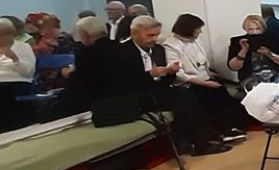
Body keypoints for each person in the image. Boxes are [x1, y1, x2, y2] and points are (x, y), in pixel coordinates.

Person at [116, 16, 230, 156]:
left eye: (157, 35)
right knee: (183, 96)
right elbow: (123, 82)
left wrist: (170, 72)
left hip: (159, 90)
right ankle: (201, 141)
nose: (155, 39)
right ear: (134, 33)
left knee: (186, 94)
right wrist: (150, 74)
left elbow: (166, 79)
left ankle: (203, 138)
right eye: (150, 35)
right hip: (138, 95)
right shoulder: (121, 52)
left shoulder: (158, 49)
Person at [164, 13, 246, 142]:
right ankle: (219, 132)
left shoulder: (196, 41)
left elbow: (203, 64)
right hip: (189, 84)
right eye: (198, 29)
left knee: (222, 92)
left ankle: (228, 128)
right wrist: (204, 83)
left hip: (204, 78)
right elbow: (178, 74)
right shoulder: (170, 45)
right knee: (208, 95)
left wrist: (211, 74)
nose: (200, 32)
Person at [58, 16, 119, 114]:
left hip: (94, 102)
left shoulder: (86, 53)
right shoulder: (119, 47)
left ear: (85, 35)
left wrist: (68, 74)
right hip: (118, 97)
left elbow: (82, 79)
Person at [227, 14, 279, 83]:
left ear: (263, 28)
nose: (254, 32)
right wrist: (243, 50)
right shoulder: (238, 41)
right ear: (245, 29)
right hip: (249, 78)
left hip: (273, 75)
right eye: (251, 29)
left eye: (258, 29)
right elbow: (233, 67)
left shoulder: (273, 40)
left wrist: (269, 54)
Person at [0, 17, 36, 132]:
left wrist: (15, 59)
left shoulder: (22, 47)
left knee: (3, 90)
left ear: (11, 34)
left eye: (4, 34)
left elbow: (28, 72)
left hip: (18, 84)